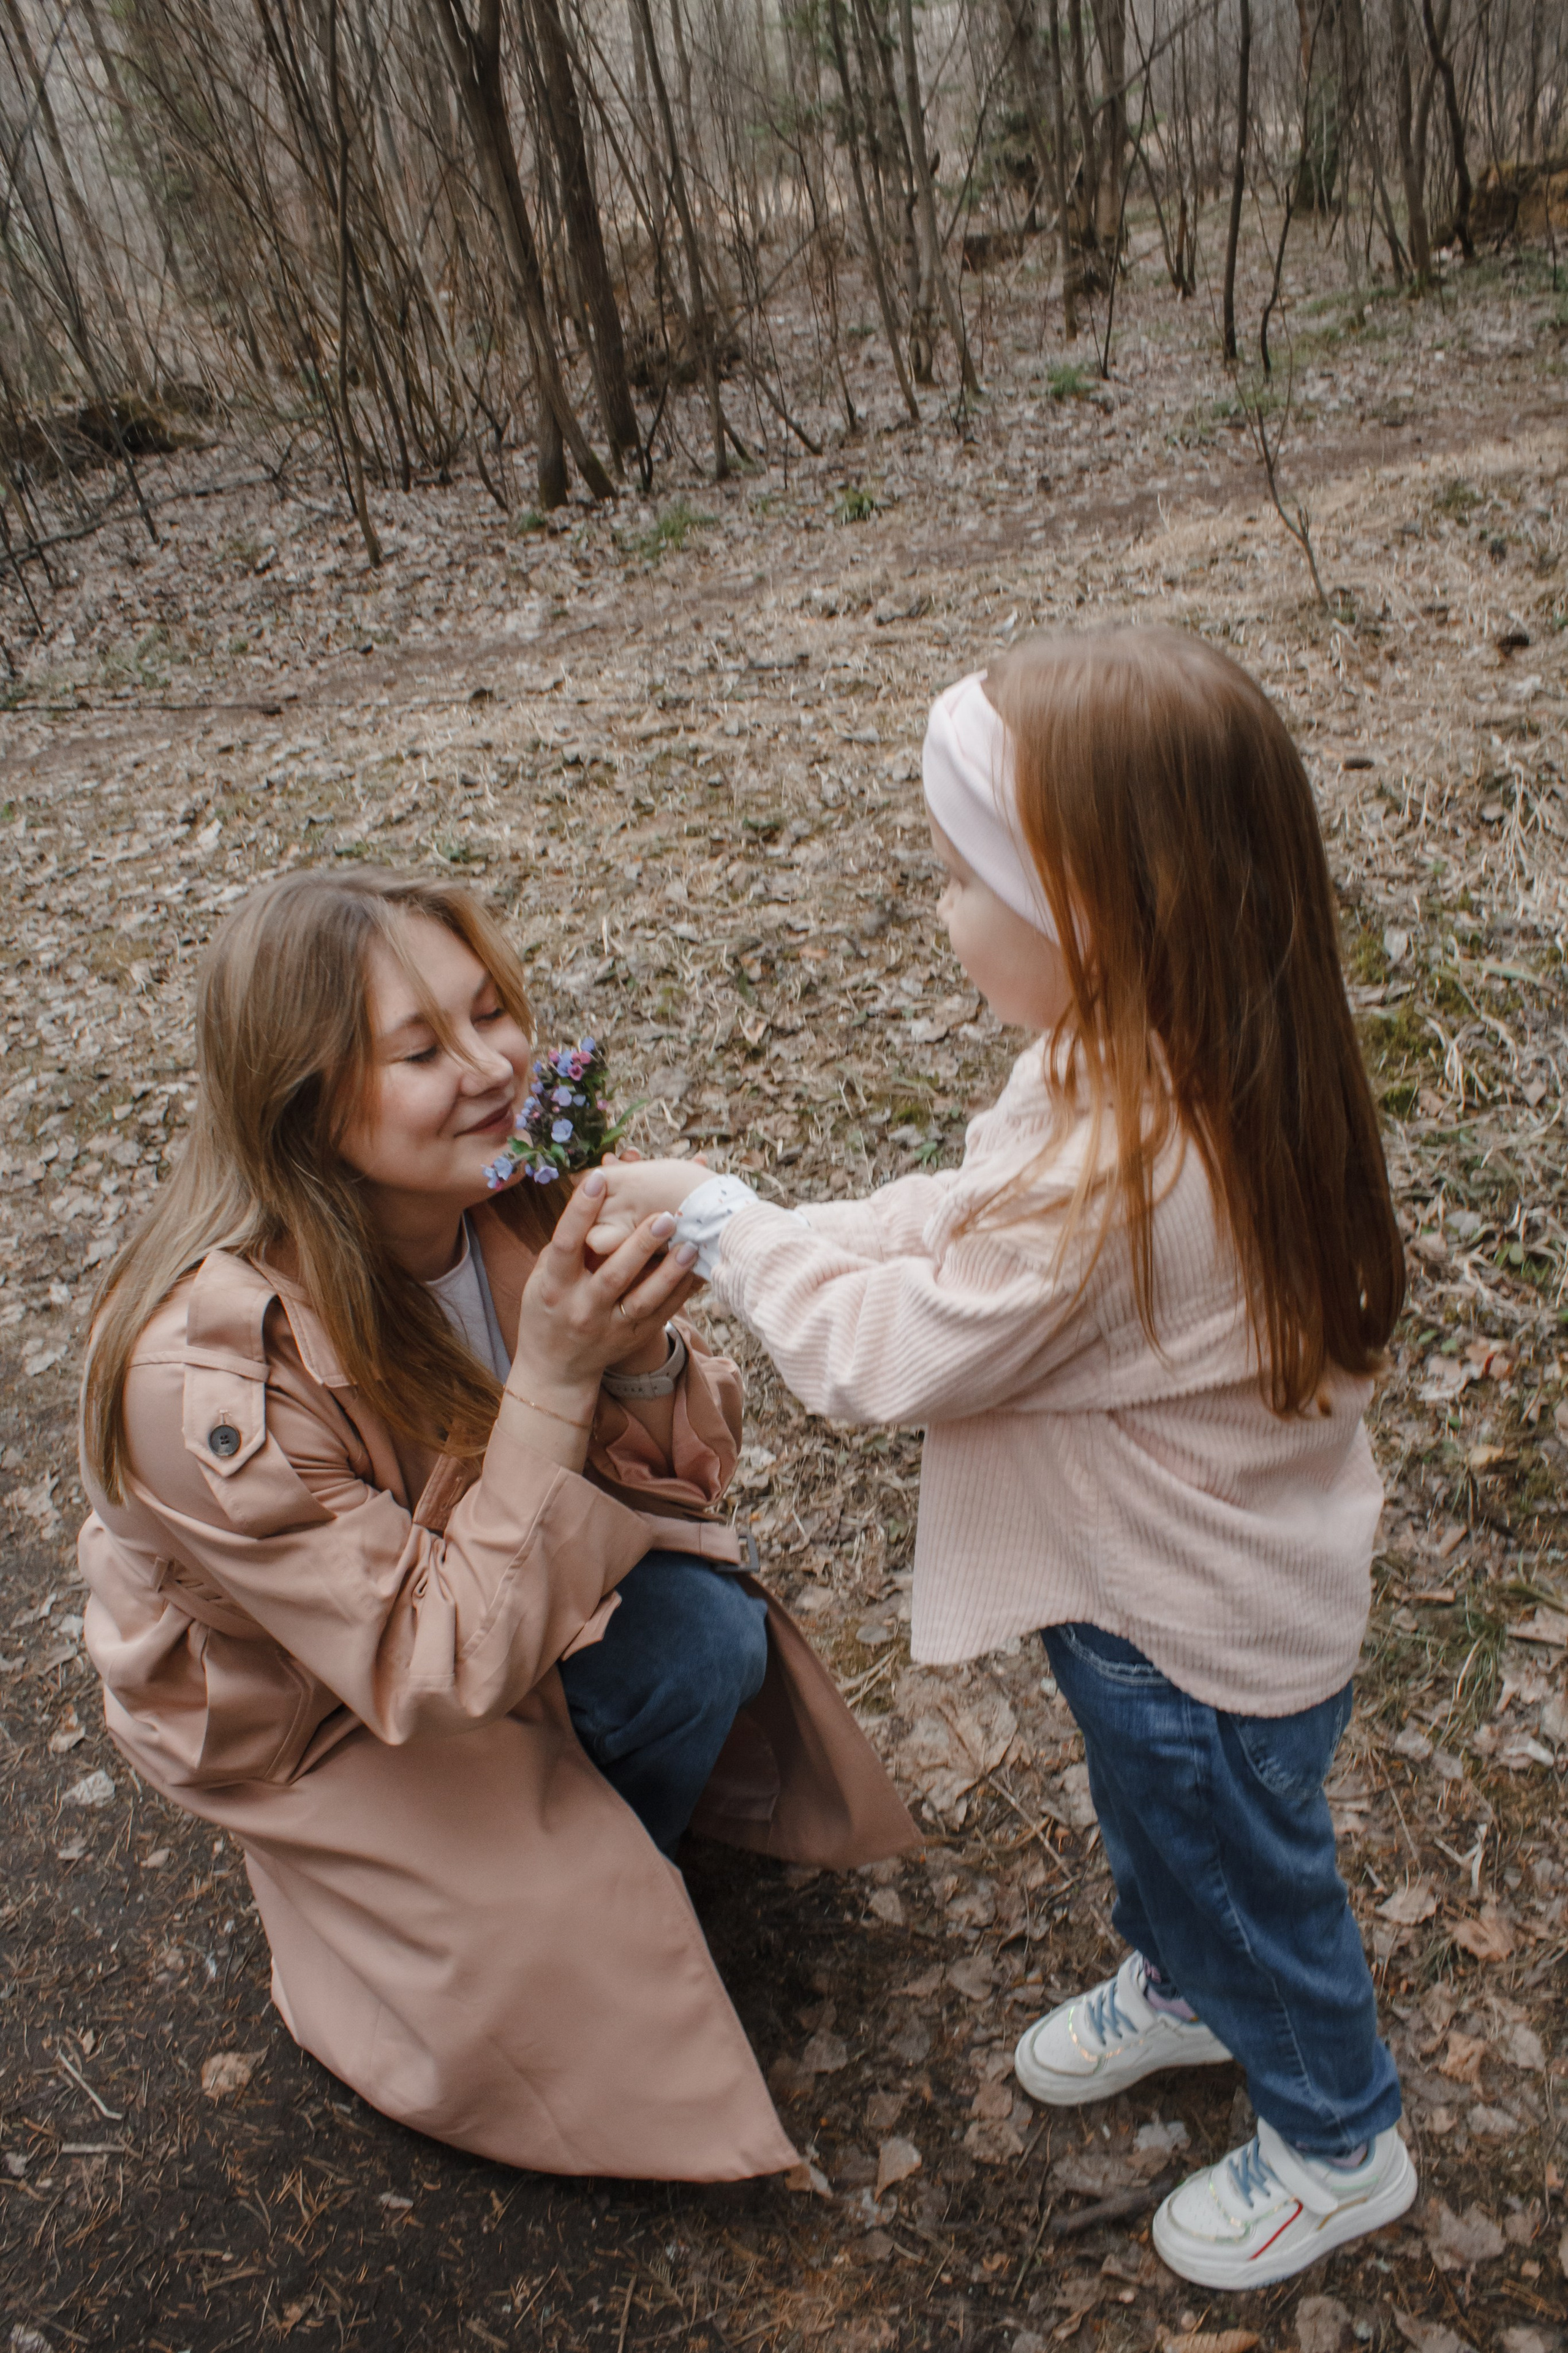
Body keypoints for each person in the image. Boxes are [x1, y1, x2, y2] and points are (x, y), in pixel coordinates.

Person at [580, 627, 1418, 2285]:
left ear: (1099, 913)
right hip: (1156, 1610)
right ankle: (1186, 1978)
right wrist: (767, 1217)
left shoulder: (1142, 1176)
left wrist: (736, 1228)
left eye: (967, 876)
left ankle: (1342, 2134)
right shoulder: (1150, 1060)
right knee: (1170, 1837)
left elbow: (889, 1348)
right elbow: (963, 1220)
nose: (943, 910)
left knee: (1249, 1875)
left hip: (1199, 1643)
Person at [77, 869, 914, 2182]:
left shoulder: (515, 1193)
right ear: (299, 1104)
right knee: (537, 1966)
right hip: (316, 1702)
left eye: (491, 1014)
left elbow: (678, 1478)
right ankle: (395, 1916)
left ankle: (586, 1858)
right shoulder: (201, 1378)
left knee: (703, 1639)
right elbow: (417, 1659)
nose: (492, 1067)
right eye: (419, 1050)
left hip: (483, 1590)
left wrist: (630, 1360)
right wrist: (555, 1376)